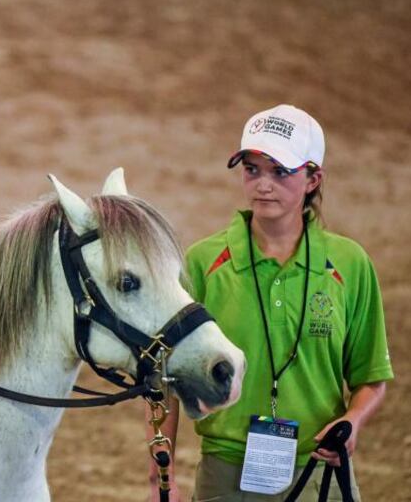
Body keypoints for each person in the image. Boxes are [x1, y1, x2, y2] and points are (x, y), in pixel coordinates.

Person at [148, 104, 393, 501]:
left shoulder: (350, 265)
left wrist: (353, 419)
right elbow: (166, 384)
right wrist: (162, 480)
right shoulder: (201, 263)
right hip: (225, 477)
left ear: (314, 178)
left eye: (281, 172)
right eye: (252, 169)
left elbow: (371, 378)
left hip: (319, 473)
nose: (263, 185)